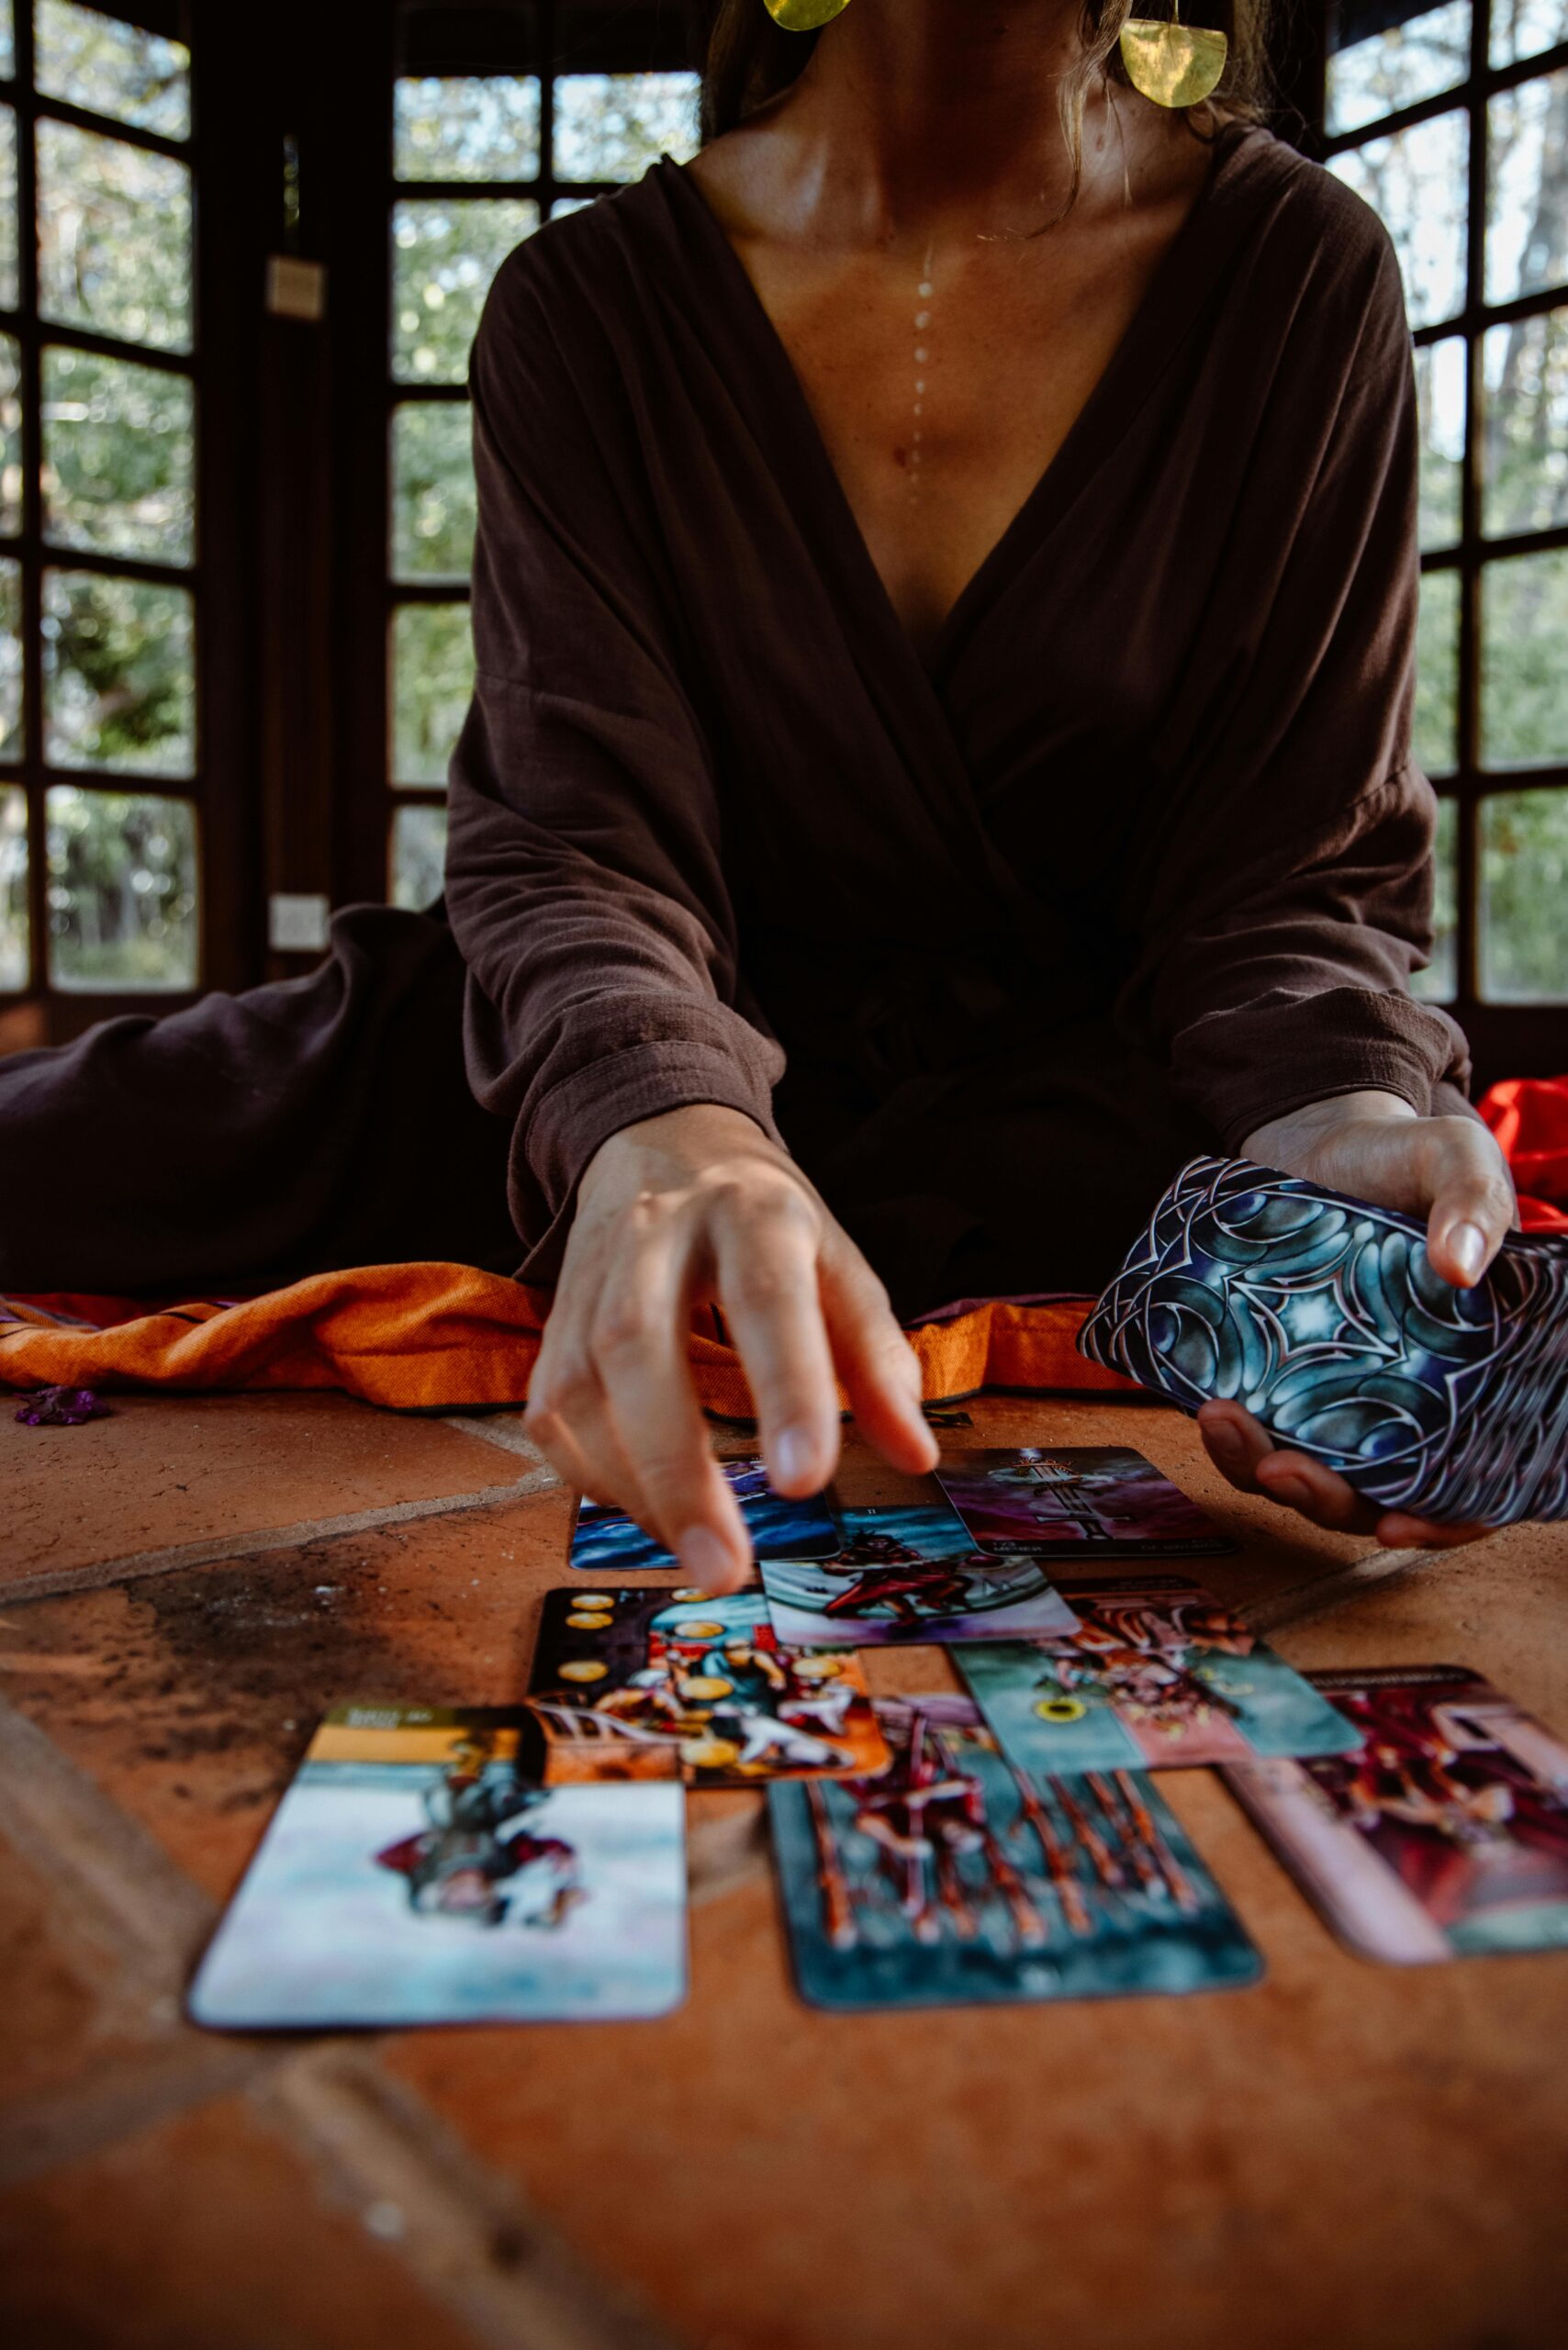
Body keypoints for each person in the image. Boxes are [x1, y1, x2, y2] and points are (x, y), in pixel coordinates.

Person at [0, 0, 1518, 1587]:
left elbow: (1286, 875)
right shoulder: (582, 305)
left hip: (1100, 1106)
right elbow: (573, 840)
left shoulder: (1300, 274)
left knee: (1383, 1325)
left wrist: (1340, 1113)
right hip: (609, 1061)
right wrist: (671, 1120)